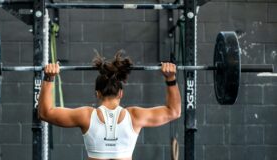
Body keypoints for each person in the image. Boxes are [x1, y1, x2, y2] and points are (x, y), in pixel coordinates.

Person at [38, 52, 181, 160]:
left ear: (97, 94)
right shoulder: (135, 116)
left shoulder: (86, 116)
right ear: (120, 93)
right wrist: (170, 78)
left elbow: (45, 113)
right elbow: (174, 111)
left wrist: (49, 78)